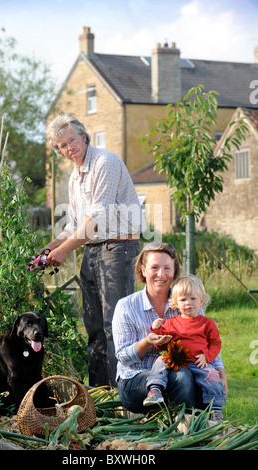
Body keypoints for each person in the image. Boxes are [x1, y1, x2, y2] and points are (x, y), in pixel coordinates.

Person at [42, 114, 144, 387]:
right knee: (95, 328)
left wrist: (64, 252)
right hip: (92, 250)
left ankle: (123, 392)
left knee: (116, 326)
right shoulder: (74, 178)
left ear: (83, 137)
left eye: (71, 140)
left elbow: (96, 218)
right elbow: (73, 225)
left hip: (118, 248)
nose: (68, 148)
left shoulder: (104, 162)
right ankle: (100, 396)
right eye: (62, 145)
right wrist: (50, 247)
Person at [112, 241, 228, 414]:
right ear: (143, 270)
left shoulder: (188, 301)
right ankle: (190, 424)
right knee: (182, 376)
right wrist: (147, 342)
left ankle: (192, 421)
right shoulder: (126, 306)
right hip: (136, 379)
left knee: (196, 376)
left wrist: (220, 372)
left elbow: (206, 341)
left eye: (167, 268)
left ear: (174, 271)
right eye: (154, 268)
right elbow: (123, 357)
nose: (161, 274)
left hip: (183, 372)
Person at [143, 274, 226, 421]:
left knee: (212, 376)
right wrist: (156, 330)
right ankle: (155, 390)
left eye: (193, 299)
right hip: (176, 361)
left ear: (202, 300)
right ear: (175, 303)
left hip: (199, 362)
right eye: (183, 299)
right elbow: (160, 344)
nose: (188, 303)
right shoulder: (170, 323)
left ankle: (216, 409)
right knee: (160, 360)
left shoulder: (207, 323)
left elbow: (216, 343)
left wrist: (207, 356)